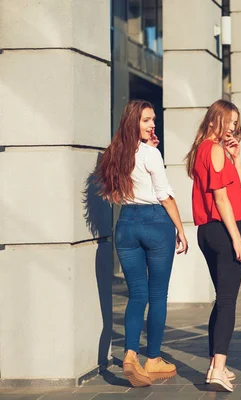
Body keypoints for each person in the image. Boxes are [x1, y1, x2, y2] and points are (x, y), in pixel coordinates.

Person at [96, 99, 189, 387]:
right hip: (154, 223)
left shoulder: (113, 154)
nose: (152, 124)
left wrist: (149, 145)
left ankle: (129, 356)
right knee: (158, 294)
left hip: (125, 224)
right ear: (133, 122)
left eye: (153, 120)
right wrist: (181, 229)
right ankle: (153, 359)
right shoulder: (151, 154)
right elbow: (164, 195)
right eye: (146, 120)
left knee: (137, 294)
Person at [184, 99, 241, 392]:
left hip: (207, 232)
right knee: (227, 302)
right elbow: (223, 200)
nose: (233, 128)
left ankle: (215, 364)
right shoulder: (213, 150)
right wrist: (237, 239)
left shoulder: (204, 150)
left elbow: (237, 192)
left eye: (236, 123)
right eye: (229, 122)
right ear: (214, 120)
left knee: (221, 299)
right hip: (224, 230)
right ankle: (218, 368)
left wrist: (236, 157)